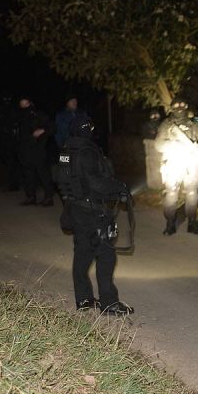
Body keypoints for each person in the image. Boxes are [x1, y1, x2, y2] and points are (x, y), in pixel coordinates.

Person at [56, 117, 134, 316]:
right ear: (85, 130)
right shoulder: (88, 152)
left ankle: (84, 300)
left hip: (75, 209)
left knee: (82, 254)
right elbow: (96, 183)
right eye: (90, 127)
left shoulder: (66, 150)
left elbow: (61, 179)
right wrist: (120, 188)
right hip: (93, 212)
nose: (92, 130)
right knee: (106, 256)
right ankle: (109, 304)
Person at [155, 100, 198, 235]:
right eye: (176, 105)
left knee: (192, 193)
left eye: (182, 105)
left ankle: (192, 223)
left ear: (187, 107)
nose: (179, 108)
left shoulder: (195, 124)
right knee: (171, 194)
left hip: (190, 163)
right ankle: (170, 224)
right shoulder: (167, 124)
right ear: (172, 108)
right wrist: (174, 145)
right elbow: (158, 144)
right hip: (173, 162)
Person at [16, 97, 55, 206]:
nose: (24, 107)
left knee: (43, 174)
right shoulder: (19, 117)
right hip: (24, 151)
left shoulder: (39, 115)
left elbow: (52, 127)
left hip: (38, 150)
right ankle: (31, 197)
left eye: (26, 104)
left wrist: (43, 130)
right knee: (28, 175)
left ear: (31, 103)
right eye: (22, 105)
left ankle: (48, 197)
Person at [0, 94, 22, 191]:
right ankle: (12, 183)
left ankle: (16, 183)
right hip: (6, 141)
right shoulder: (0, 110)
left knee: (16, 162)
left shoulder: (14, 109)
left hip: (15, 141)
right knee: (10, 163)